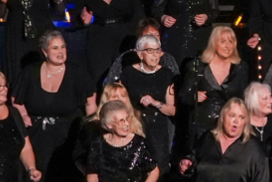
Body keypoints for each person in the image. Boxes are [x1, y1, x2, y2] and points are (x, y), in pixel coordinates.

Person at [11, 30, 97, 182]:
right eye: (55, 48)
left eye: (63, 47)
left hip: (68, 132)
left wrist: (92, 128)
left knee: (72, 175)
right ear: (45, 51)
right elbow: (16, 101)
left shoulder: (78, 73)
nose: (61, 51)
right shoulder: (30, 72)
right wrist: (24, 115)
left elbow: (91, 102)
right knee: (36, 176)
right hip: (37, 133)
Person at [179, 24, 249, 151]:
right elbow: (183, 97)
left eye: (231, 41)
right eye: (223, 41)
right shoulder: (197, 66)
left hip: (229, 126)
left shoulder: (241, 68)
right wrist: (193, 96)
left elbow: (243, 100)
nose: (228, 46)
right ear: (213, 43)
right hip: (201, 127)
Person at [119, 33, 177, 167]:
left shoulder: (166, 75)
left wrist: (155, 103)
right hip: (134, 130)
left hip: (158, 132)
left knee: (159, 169)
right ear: (140, 54)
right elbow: (119, 102)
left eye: (157, 50)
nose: (155, 55)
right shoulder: (128, 73)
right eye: (150, 51)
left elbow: (173, 110)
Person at [104, 18, 182, 85]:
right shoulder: (127, 57)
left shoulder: (167, 58)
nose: (154, 37)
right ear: (140, 37)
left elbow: (176, 83)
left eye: (156, 34)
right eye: (150, 34)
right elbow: (109, 83)